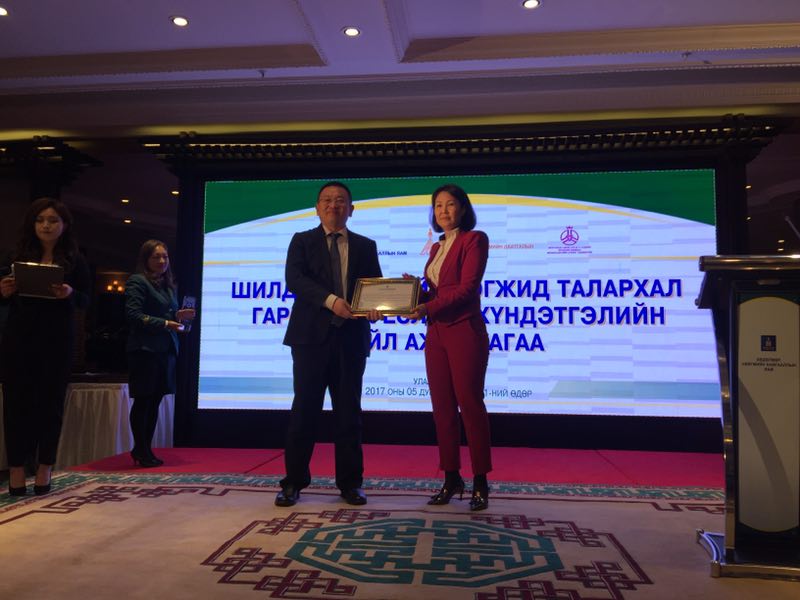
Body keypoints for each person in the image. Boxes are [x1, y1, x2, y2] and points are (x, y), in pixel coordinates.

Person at [276, 181, 382, 507]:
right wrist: (331, 300)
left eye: (340, 201)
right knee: (304, 412)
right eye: (327, 200)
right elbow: (295, 281)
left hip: (351, 340)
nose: (333, 205)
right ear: (317, 208)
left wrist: (378, 307)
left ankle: (351, 484)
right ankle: (293, 483)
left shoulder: (366, 245)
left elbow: (374, 287)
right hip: (310, 340)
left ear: (351, 209)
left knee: (349, 415)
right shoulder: (302, 240)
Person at [409, 184, 492, 511]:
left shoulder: (475, 240)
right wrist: (414, 294)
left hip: (464, 331)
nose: (443, 211)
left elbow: (467, 289)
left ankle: (481, 482)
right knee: (442, 408)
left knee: (470, 405)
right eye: (438, 205)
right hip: (436, 334)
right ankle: (451, 477)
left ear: (463, 208)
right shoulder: (436, 248)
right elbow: (438, 293)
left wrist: (427, 306)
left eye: (450, 204)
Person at [0, 197, 90, 496]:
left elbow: (87, 300)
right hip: (19, 338)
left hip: (56, 340)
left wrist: (70, 292)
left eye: (53, 220)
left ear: (64, 225)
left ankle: (44, 468)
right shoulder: (15, 256)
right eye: (40, 220)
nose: (46, 225)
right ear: (32, 224)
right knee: (16, 405)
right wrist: (4, 291)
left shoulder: (75, 260)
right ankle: (16, 469)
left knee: (50, 405)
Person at [124, 240, 195, 468]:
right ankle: (140, 448)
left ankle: (145, 448)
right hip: (145, 351)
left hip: (166, 351)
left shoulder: (167, 284)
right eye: (156, 257)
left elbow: (166, 313)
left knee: (154, 401)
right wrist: (166, 323)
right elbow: (133, 314)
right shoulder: (138, 281)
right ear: (146, 259)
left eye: (165, 256)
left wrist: (178, 316)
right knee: (144, 401)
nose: (162, 261)